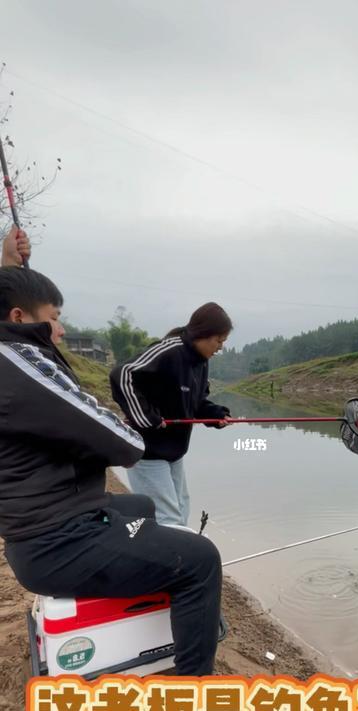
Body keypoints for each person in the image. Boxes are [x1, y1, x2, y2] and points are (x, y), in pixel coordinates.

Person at [0, 229, 222, 675]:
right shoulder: (17, 362)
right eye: (55, 317)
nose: (61, 329)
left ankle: (146, 596)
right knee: (201, 560)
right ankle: (193, 685)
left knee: (140, 504)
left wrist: (8, 264)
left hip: (48, 523)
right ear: (21, 316)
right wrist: (137, 425)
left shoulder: (14, 357)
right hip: (55, 541)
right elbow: (122, 442)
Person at [110, 302, 233, 528]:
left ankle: (176, 557)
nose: (220, 347)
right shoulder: (170, 351)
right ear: (203, 334)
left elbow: (194, 403)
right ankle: (174, 561)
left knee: (181, 508)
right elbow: (122, 374)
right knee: (167, 518)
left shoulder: (201, 363)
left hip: (174, 451)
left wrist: (214, 415)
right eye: (219, 341)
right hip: (147, 450)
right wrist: (145, 418)